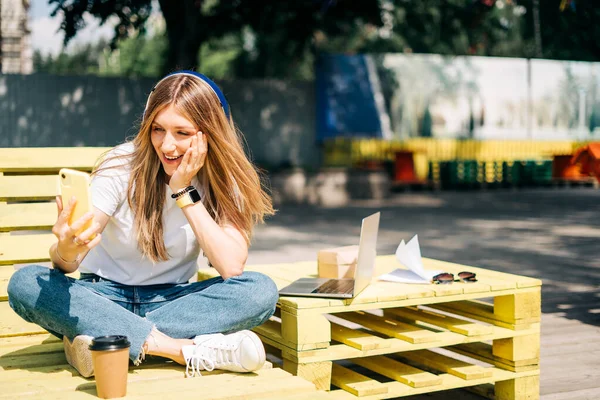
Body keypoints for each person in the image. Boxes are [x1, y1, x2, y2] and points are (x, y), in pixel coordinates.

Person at [7, 71, 279, 378]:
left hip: (175, 302)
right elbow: (67, 262)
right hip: (103, 297)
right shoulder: (121, 165)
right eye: (158, 129)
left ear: (209, 134)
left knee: (260, 292)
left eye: (183, 133)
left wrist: (183, 190)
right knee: (25, 283)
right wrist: (67, 250)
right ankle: (179, 350)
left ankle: (104, 337)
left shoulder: (223, 180)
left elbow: (231, 267)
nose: (167, 145)